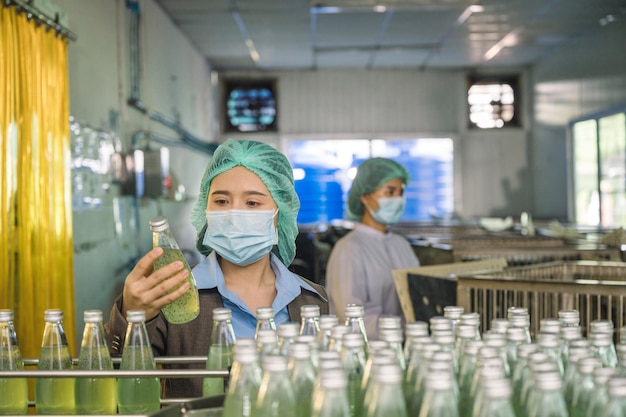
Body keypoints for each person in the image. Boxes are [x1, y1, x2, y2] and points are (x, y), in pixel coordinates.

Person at [104, 139, 328, 399]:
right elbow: (117, 386)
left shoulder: (312, 299)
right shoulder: (175, 296)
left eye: (252, 203)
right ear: (205, 209)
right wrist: (130, 315)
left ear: (281, 213)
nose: (233, 214)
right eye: (221, 201)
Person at [325, 157, 419, 339]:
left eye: (401, 192)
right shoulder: (349, 248)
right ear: (366, 197)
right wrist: (398, 332)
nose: (398, 199)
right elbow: (351, 315)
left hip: (406, 345)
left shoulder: (402, 245)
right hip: (368, 350)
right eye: (389, 192)